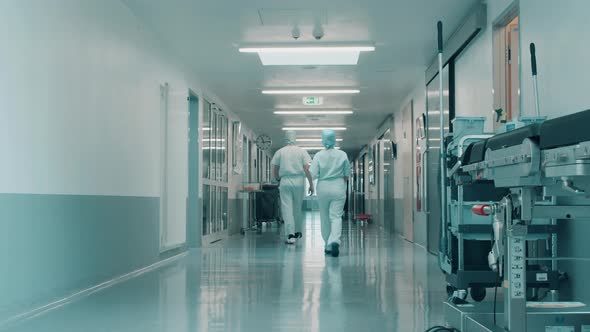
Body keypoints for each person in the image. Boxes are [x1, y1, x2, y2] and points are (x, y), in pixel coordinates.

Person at [310, 129, 350, 257]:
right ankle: (335, 240)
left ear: (323, 140)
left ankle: (327, 244)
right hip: (338, 187)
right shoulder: (342, 154)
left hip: (323, 187)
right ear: (334, 139)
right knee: (336, 216)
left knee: (325, 217)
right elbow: (346, 175)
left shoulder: (318, 156)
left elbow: (313, 175)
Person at [271, 130, 314, 245]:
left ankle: (290, 235)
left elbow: (275, 169)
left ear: (285, 139)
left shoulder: (280, 152)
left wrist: (278, 179)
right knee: (297, 207)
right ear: (296, 138)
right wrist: (311, 184)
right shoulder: (302, 152)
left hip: (285, 181)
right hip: (299, 181)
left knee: (287, 208)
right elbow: (307, 169)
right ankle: (298, 231)